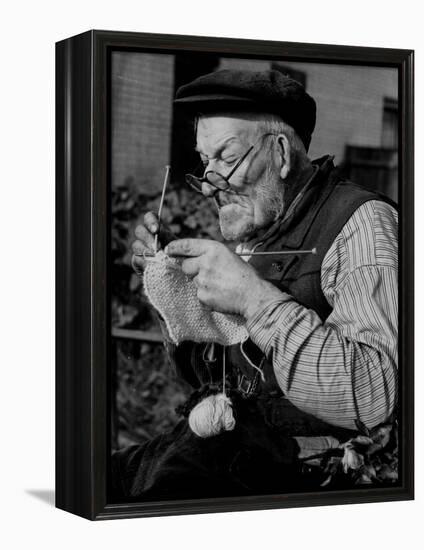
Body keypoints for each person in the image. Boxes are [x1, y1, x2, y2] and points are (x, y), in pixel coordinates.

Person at [111, 69, 398, 501]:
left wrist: (253, 297)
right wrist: (179, 294)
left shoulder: (363, 226)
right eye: (205, 162)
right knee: (92, 474)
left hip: (304, 474)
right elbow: (201, 374)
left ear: (280, 152)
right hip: (224, 445)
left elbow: (374, 395)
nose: (209, 184)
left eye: (225, 157)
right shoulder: (258, 230)